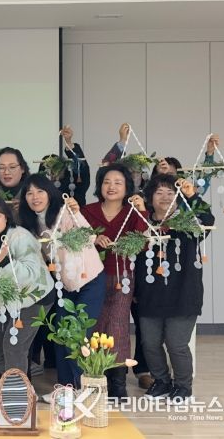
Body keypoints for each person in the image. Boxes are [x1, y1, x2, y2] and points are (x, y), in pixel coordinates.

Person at [19, 174, 106, 387]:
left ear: (50, 193)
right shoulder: (31, 223)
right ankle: (66, 388)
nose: (35, 197)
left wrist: (75, 213)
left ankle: (82, 388)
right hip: (63, 284)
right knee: (61, 335)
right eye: (29, 193)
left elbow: (90, 236)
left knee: (77, 336)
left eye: (40, 191)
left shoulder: (65, 211)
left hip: (89, 280)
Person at [136, 175, 214, 404]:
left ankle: (183, 386)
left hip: (183, 294)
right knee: (150, 343)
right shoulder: (141, 222)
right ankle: (161, 381)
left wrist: (193, 196)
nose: (165, 197)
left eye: (171, 193)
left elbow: (208, 219)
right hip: (150, 295)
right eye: (159, 192)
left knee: (177, 344)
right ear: (150, 197)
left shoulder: (188, 222)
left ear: (178, 198)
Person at [0, 195, 54, 375]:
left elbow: (32, 274)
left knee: (14, 346)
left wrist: (6, 261)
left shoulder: (20, 236)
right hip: (3, 299)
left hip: (33, 297)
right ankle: (18, 380)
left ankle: (17, 389)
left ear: (6, 217)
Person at [81, 164, 148, 398]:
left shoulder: (132, 211)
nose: (111, 187)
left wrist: (142, 210)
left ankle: (117, 384)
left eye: (118, 182)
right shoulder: (87, 211)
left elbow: (144, 242)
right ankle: (95, 378)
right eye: (107, 182)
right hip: (92, 276)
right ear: (99, 185)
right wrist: (92, 238)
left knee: (117, 325)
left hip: (123, 276)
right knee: (95, 325)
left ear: (127, 187)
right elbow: (75, 238)